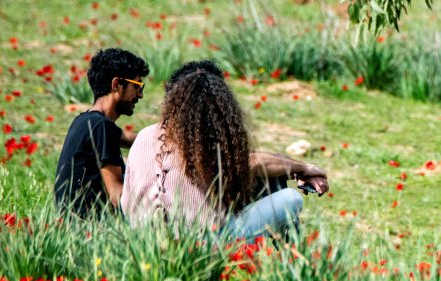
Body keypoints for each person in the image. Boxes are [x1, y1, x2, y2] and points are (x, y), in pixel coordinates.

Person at [121, 64, 328, 241]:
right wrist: (305, 169)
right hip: (200, 247)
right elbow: (254, 163)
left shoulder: (145, 135)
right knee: (291, 198)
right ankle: (292, 264)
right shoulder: (202, 141)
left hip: (142, 245)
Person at [54, 48, 149, 217]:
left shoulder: (86, 121)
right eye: (137, 86)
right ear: (116, 85)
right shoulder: (101, 127)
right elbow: (116, 195)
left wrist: (169, 139)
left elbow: (135, 139)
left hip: (70, 226)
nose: (140, 95)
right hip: (89, 230)